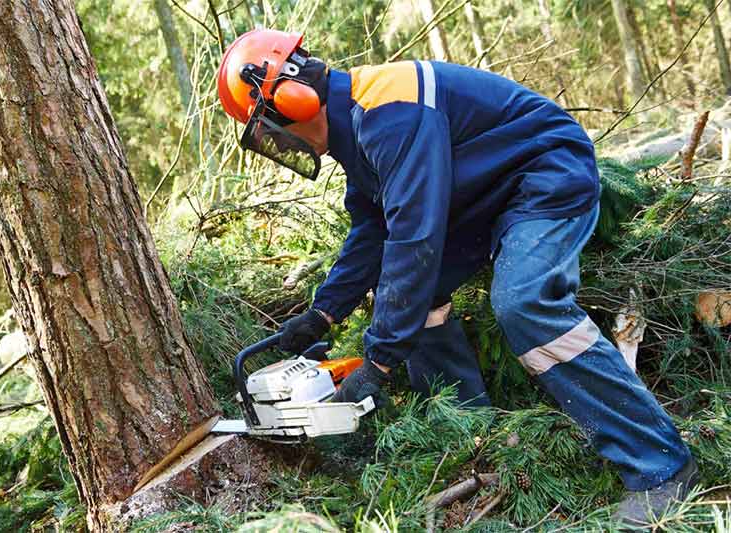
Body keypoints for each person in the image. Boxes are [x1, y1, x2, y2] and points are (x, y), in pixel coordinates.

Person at [216, 28, 697, 526]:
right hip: (481, 200)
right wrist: (322, 313)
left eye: (268, 128)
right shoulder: (354, 130)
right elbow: (372, 232)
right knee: (409, 297)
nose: (275, 140)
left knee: (523, 303)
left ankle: (660, 465)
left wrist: (378, 365)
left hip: (545, 175)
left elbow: (414, 240)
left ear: (292, 99)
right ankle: (467, 434)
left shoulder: (389, 112)